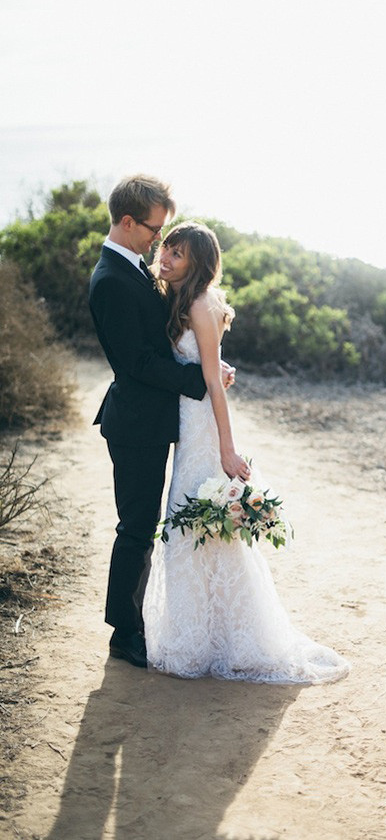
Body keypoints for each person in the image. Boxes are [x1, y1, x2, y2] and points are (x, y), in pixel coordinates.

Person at [142, 221, 350, 684]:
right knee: (194, 528)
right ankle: (203, 635)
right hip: (187, 415)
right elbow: (207, 364)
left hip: (200, 425)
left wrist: (227, 448)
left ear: (197, 263)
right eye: (167, 249)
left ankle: (213, 640)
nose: (167, 258)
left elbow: (214, 382)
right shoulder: (183, 298)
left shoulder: (199, 303)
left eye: (177, 254)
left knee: (191, 526)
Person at [89, 175, 235, 669]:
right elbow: (137, 362)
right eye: (154, 229)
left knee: (149, 524)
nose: (158, 239)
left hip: (158, 420)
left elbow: (167, 336)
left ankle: (140, 623)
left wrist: (211, 363)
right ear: (128, 222)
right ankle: (125, 632)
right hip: (135, 424)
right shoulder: (111, 279)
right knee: (136, 527)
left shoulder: (135, 269)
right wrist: (199, 379)